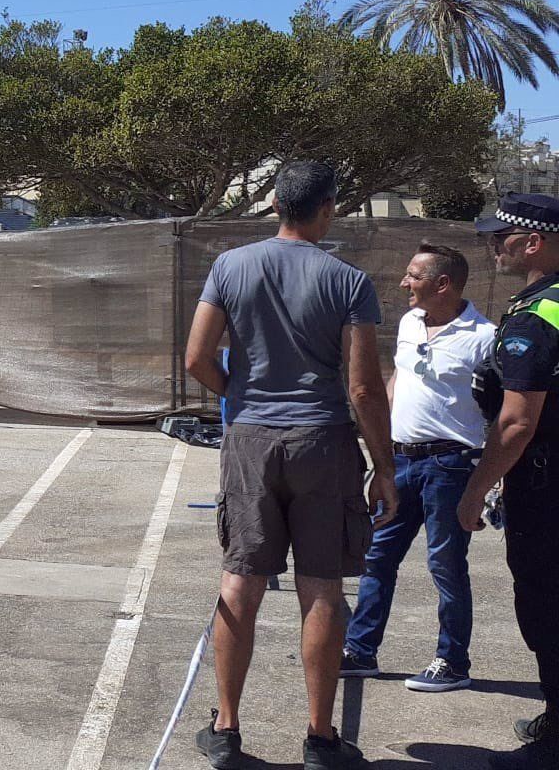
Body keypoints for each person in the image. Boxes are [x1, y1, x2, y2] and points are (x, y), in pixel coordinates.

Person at [184, 160, 398, 770]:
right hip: (322, 440)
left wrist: (240, 396)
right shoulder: (348, 280)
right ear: (328, 207)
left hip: (252, 439)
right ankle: (320, 737)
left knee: (240, 581)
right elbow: (362, 389)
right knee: (323, 587)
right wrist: (383, 468)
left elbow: (198, 356)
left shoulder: (230, 266)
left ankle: (226, 728)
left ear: (277, 203)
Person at [342, 244, 492, 693]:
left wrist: (488, 482)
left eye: (413, 276)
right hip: (401, 460)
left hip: (451, 465)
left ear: (442, 284)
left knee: (445, 564)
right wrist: (381, 450)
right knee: (376, 555)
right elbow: (397, 378)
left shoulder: (483, 337)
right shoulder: (409, 323)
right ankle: (360, 651)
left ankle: (452, 661)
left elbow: (499, 410)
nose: (404, 284)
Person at [457, 193, 559, 768]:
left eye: (502, 237)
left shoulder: (536, 314)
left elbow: (517, 422)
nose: (494, 247)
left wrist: (476, 490)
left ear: (533, 241)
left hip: (546, 487)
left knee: (546, 605)